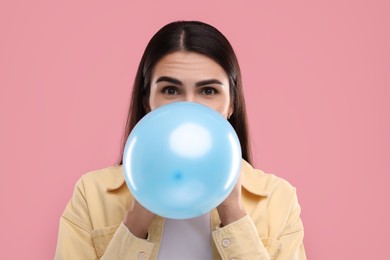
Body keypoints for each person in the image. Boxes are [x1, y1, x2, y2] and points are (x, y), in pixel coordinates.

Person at [55, 21, 306, 260]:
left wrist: (233, 213)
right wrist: (136, 218)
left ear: (232, 104)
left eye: (208, 91)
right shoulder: (91, 194)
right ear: (147, 101)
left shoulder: (278, 199)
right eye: (170, 90)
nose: (189, 108)